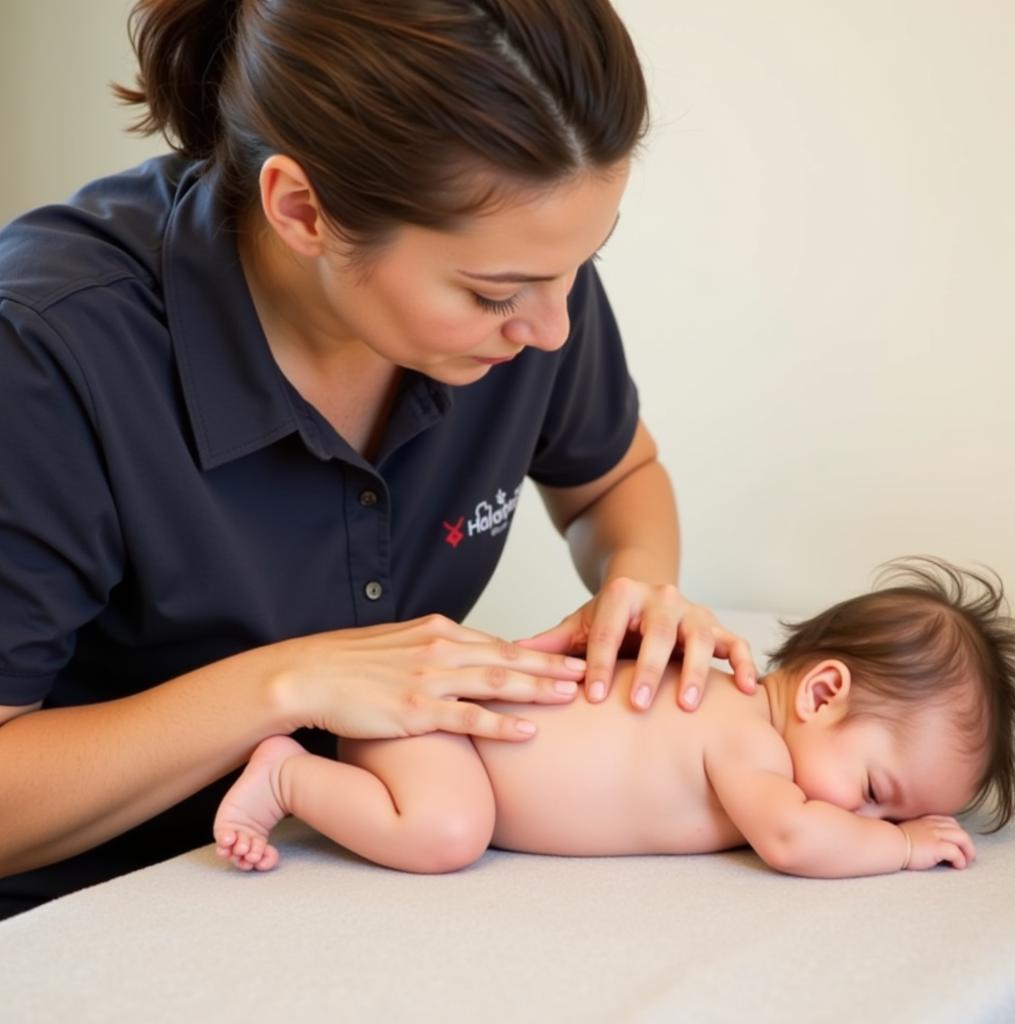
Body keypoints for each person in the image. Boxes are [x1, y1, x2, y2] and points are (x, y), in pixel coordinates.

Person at [0, 1, 758, 918]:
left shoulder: (531, 291)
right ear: (303, 210)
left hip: (343, 873)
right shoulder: (44, 356)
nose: (552, 328)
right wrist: (289, 683)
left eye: (583, 264)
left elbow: (617, 480)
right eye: (493, 294)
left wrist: (638, 588)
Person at [215, 558, 1015, 878]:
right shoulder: (747, 736)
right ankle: (288, 772)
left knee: (453, 824)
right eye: (877, 788)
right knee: (446, 833)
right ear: (820, 693)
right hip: (439, 725)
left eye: (893, 811)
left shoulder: (736, 702)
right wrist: (903, 846)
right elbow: (795, 841)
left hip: (448, 716)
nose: (862, 812)